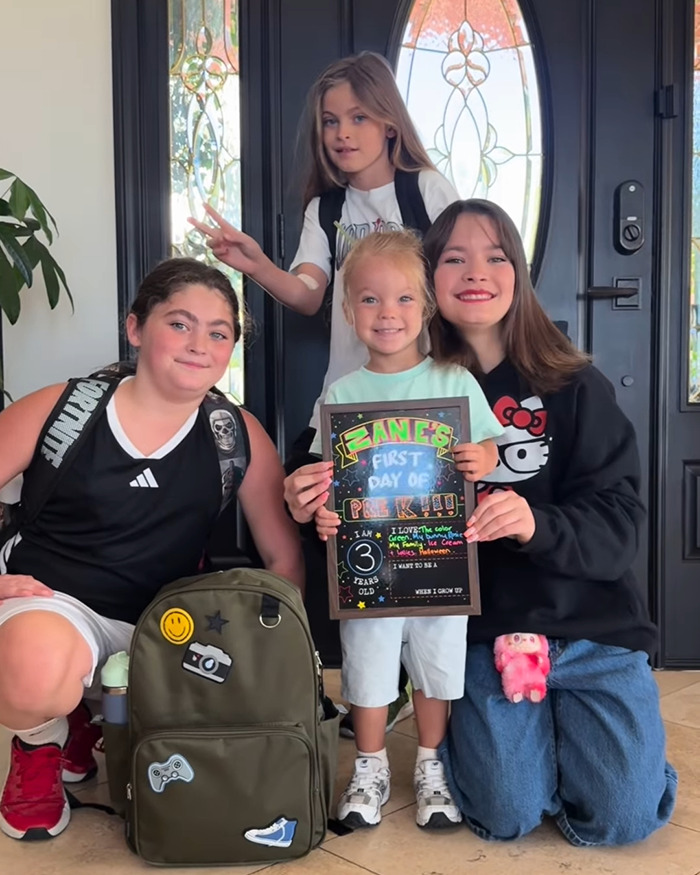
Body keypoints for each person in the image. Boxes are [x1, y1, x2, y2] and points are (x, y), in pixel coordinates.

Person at [285, 199, 678, 847]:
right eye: (454, 258)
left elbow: (621, 523)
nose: (477, 271)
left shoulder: (576, 385)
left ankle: (595, 734)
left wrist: (535, 521)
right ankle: (536, 743)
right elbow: (333, 490)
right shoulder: (384, 386)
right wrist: (306, 499)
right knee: (505, 811)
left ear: (518, 274)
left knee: (621, 814)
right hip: (486, 632)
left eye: (497, 256)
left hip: (590, 629)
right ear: (428, 282)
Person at [190, 50, 457, 732]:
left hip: (421, 409)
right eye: (331, 120)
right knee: (331, 532)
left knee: (418, 543)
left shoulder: (427, 188)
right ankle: (358, 680)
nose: (342, 132)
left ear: (390, 123)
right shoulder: (326, 205)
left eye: (358, 117)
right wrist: (257, 265)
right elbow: (309, 294)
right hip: (347, 404)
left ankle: (424, 688)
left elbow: (456, 286)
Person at [0, 257, 304, 842]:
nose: (200, 345)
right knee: (37, 674)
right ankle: (38, 740)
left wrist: (281, 660)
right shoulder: (68, 407)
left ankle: (87, 715)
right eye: (180, 324)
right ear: (136, 328)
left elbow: (282, 562)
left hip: (166, 624)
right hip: (54, 603)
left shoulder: (234, 432)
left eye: (219, 333)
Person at [306, 230, 503, 830]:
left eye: (402, 300)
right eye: (369, 300)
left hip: (441, 554)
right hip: (370, 561)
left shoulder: (454, 381)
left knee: (438, 662)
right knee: (365, 663)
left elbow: (492, 449)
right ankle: (368, 765)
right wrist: (325, 511)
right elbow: (329, 477)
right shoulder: (341, 395)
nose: (387, 314)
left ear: (426, 307)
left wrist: (484, 459)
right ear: (348, 311)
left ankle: (429, 762)